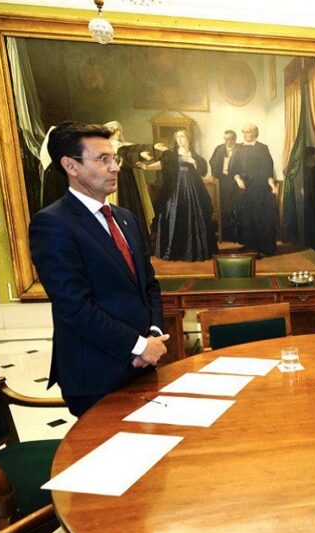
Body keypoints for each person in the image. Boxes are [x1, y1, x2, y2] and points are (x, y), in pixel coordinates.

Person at [29, 121, 168, 417]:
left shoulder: (125, 217)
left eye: (114, 158)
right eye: (103, 160)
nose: (115, 167)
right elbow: (74, 307)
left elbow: (149, 284)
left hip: (143, 366)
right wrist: (138, 345)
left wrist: (153, 335)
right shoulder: (52, 223)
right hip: (96, 373)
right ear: (71, 165)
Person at [143, 129, 217, 262]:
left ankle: (198, 250)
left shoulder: (196, 156)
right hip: (176, 188)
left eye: (183, 136)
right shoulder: (172, 154)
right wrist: (147, 167)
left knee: (197, 215)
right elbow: (162, 164)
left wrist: (192, 161)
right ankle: (175, 251)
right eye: (178, 137)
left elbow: (203, 171)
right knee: (174, 214)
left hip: (194, 188)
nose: (180, 139)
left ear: (188, 138)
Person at [103, 120, 159, 255]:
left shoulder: (125, 145)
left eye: (119, 129)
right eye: (114, 130)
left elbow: (134, 151)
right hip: (114, 182)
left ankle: (138, 247)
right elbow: (123, 157)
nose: (118, 132)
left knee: (133, 209)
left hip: (129, 181)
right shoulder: (104, 147)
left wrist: (146, 152)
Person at [229, 123, 279, 257]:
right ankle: (249, 246)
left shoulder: (263, 148)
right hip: (244, 188)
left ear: (255, 133)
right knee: (246, 218)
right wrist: (238, 179)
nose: (246, 134)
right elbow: (233, 168)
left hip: (260, 188)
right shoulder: (238, 148)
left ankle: (262, 248)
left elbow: (268, 168)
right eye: (244, 132)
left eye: (249, 132)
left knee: (261, 218)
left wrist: (272, 185)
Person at [209, 129, 240, 243]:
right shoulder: (219, 148)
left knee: (236, 209)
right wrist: (214, 175)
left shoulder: (240, 149)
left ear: (235, 139)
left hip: (237, 183)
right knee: (225, 208)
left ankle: (237, 236)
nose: (227, 141)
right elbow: (212, 162)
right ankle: (226, 235)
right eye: (225, 138)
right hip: (223, 183)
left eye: (229, 139)